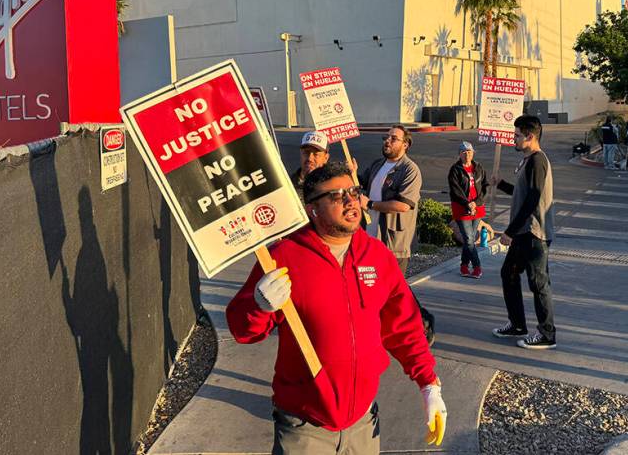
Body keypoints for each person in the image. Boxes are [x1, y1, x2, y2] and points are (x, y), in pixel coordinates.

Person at [227, 162, 447, 453]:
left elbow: (404, 326)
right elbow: (243, 331)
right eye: (335, 195)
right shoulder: (284, 257)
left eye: (353, 191)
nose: (350, 200)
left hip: (364, 422)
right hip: (304, 427)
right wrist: (258, 306)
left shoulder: (377, 255)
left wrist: (428, 383)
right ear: (312, 209)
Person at [491, 115, 557, 349]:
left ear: (530, 136)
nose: (514, 139)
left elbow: (532, 199)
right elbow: (521, 194)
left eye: (517, 135)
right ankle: (517, 324)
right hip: (523, 233)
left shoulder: (538, 161)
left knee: (538, 283)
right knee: (508, 274)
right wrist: (501, 184)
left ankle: (547, 335)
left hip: (533, 234)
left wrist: (509, 231)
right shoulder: (528, 160)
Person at [358, 125, 422, 274]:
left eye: (393, 139)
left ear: (405, 144)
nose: (387, 141)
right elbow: (360, 182)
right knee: (371, 286)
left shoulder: (410, 170)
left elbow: (403, 206)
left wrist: (370, 204)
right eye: (386, 138)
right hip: (370, 237)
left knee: (393, 290)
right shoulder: (377, 165)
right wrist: (351, 172)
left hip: (393, 244)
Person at [447, 141, 489, 278]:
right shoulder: (455, 170)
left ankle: (464, 265)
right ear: (459, 154)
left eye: (469, 151)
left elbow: (485, 187)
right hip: (462, 208)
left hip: (477, 208)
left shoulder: (478, 168)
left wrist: (475, 203)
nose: (467, 154)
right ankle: (477, 267)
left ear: (473, 153)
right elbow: (455, 191)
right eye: (464, 152)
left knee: (468, 240)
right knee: (470, 239)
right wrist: (467, 204)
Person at [290, 131, 330, 203]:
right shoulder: (288, 185)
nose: (309, 158)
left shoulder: (333, 185)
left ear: (326, 158)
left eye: (316, 154)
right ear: (301, 154)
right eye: (306, 152)